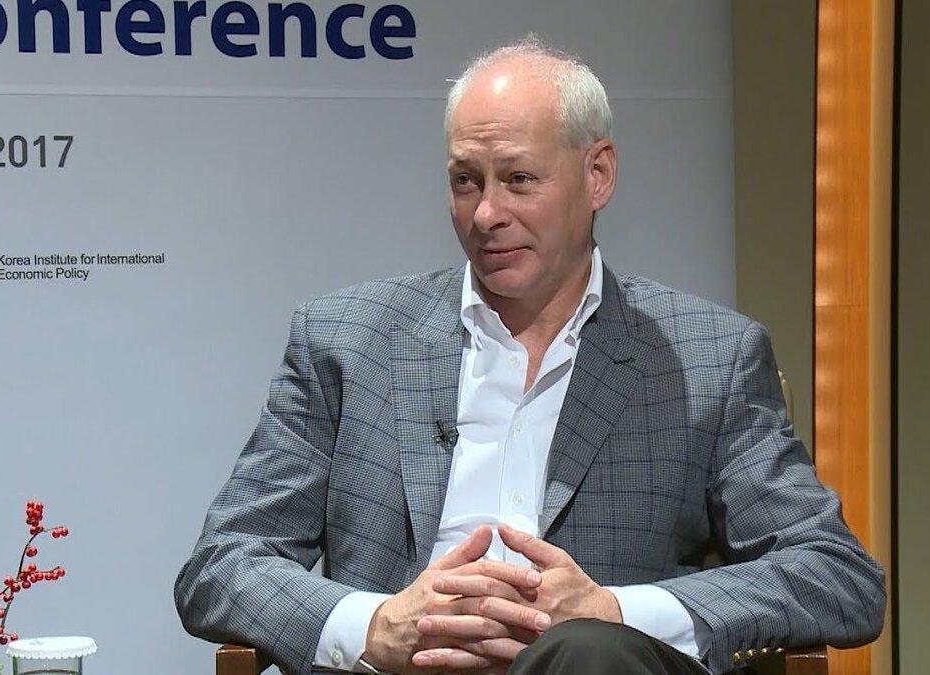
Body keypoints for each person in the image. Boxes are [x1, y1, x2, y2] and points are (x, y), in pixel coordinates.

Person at [175, 39, 885, 675]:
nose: (486, 213)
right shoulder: (346, 340)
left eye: (518, 179)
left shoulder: (707, 359)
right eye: (465, 181)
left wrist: (614, 612)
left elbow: (836, 575)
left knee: (587, 654)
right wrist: (374, 626)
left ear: (598, 175)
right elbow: (222, 564)